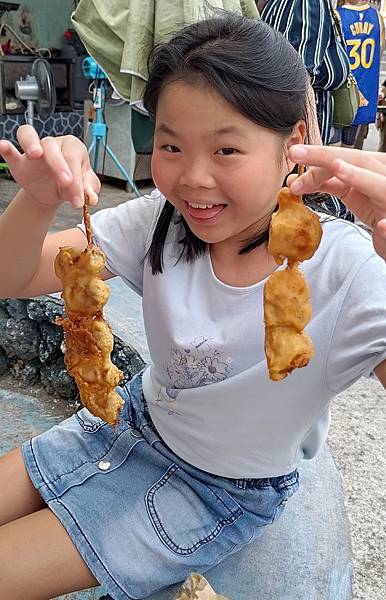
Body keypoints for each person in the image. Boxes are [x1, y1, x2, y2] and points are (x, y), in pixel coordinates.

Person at [0, 14, 385, 600]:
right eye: (170, 145)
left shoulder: (346, 270)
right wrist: (35, 199)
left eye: (227, 149)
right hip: (127, 422)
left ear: (293, 143)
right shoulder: (160, 219)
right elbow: (18, 274)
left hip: (215, 489)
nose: (193, 179)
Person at [257, 0, 353, 219]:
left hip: (289, 130)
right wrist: (313, 147)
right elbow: (298, 73)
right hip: (299, 128)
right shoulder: (308, 2)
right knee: (304, 207)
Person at [331, 0, 385, 148]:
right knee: (349, 146)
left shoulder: (337, 16)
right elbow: (378, 55)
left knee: (333, 146)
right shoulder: (377, 17)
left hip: (340, 93)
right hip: (363, 93)